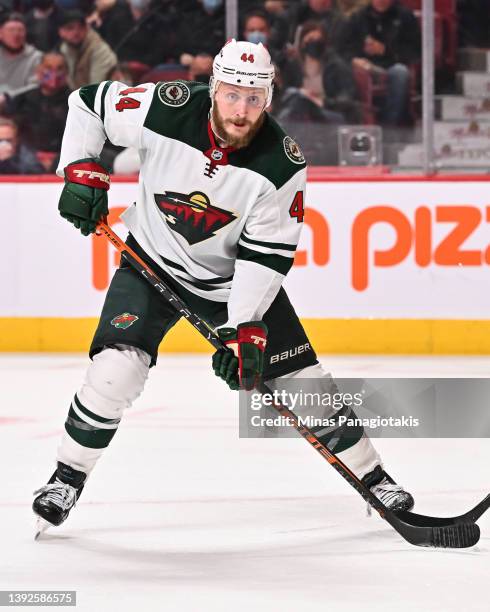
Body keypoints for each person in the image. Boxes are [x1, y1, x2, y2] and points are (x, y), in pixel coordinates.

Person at [32, 39, 414, 533]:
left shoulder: (282, 164)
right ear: (214, 89)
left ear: (269, 99)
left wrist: (243, 328)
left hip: (232, 282)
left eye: (254, 99)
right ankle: (66, 478)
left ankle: (373, 477)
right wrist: (80, 169)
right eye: (232, 94)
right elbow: (88, 104)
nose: (241, 110)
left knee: (305, 385)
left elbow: (265, 255)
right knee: (113, 374)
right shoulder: (166, 108)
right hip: (149, 263)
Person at [339, 0, 420, 126]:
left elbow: (415, 52)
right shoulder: (358, 17)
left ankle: (390, 124)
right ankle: (357, 122)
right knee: (344, 71)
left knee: (400, 73)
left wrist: (385, 50)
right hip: (364, 67)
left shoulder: (404, 16)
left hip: (392, 65)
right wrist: (354, 59)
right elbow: (343, 49)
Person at [4, 52, 70, 155]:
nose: (54, 73)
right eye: (48, 68)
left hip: (65, 160)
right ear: (38, 71)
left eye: (59, 68)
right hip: (27, 162)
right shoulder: (22, 100)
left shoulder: (78, 102)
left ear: (66, 72)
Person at [58, 9, 117, 89]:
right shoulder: (65, 48)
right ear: (60, 31)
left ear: (86, 28)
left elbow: (95, 88)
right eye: (70, 28)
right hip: (79, 95)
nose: (76, 32)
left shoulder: (100, 50)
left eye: (81, 27)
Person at [0, 12, 42, 97]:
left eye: (20, 30)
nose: (16, 34)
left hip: (23, 105)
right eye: (11, 30)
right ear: (1, 33)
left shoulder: (37, 57)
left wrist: (7, 97)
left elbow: (35, 86)